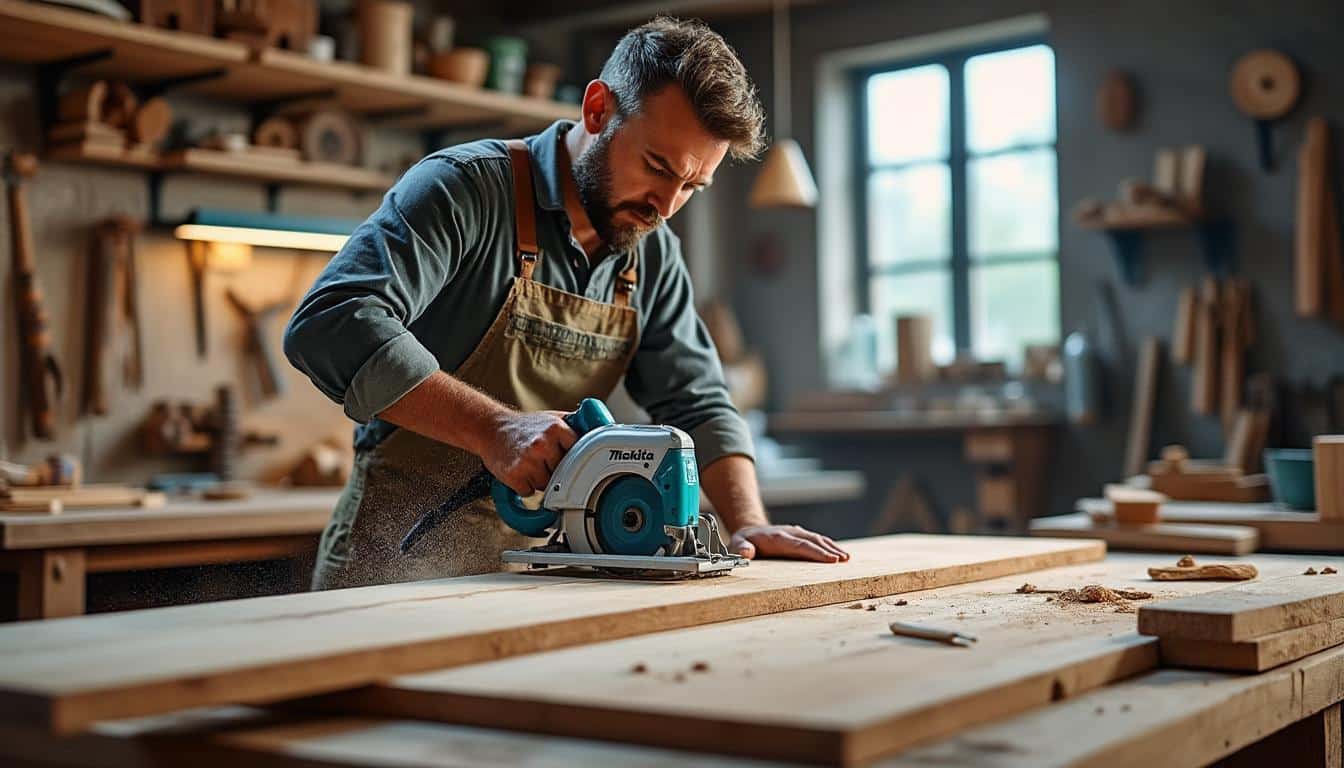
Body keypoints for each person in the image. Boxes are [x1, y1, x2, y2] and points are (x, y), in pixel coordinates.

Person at [284, 16, 851, 590]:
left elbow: (697, 400)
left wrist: (748, 522)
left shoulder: (650, 253)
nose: (666, 205)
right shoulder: (464, 190)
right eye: (656, 167)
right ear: (598, 110)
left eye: (691, 186)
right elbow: (330, 322)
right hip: (396, 557)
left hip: (544, 568)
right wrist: (495, 429)